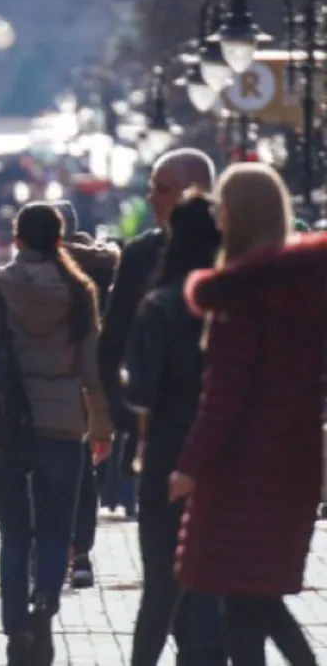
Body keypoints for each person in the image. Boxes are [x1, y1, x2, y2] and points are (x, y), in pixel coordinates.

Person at [170, 163, 324, 666]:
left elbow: (225, 395)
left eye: (223, 209)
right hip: (293, 464)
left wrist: (188, 466)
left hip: (243, 470)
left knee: (242, 601)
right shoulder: (308, 292)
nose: (218, 220)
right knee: (256, 599)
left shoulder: (241, 296)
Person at [0, 202, 114, 666]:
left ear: (17, 239)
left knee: (14, 532)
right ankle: (45, 599)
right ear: (59, 240)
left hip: (3, 422)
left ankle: (14, 628)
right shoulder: (78, 289)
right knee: (53, 527)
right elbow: (92, 368)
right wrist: (101, 427)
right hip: (62, 422)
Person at [122, 193, 226, 666]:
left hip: (168, 454)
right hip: (225, 453)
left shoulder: (159, 304)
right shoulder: (233, 300)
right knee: (215, 582)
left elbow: (140, 392)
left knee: (161, 588)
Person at [98, 149, 213, 477]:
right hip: (161, 431)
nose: (151, 199)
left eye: (162, 190)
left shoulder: (230, 253)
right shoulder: (139, 255)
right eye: (152, 188)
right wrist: (130, 415)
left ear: (196, 192)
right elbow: (113, 342)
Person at [51, 200, 121, 591]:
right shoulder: (106, 266)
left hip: (49, 383)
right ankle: (81, 555)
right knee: (84, 473)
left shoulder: (43, 269)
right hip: (95, 380)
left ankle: (50, 552)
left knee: (46, 471)